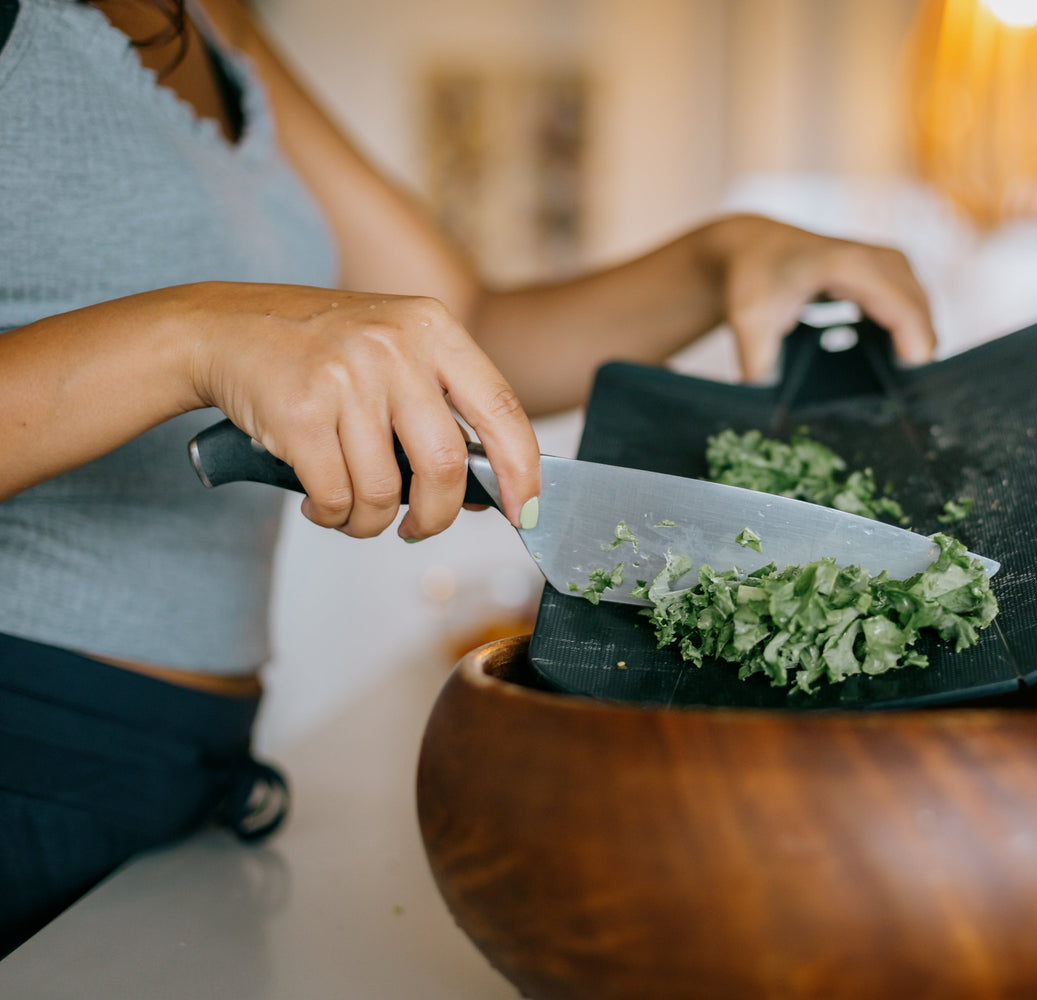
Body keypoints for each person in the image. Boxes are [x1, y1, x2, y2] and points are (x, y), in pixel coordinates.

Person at [0, 0, 936, 955]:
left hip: (182, 776)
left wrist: (723, 255)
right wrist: (190, 335)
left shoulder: (208, 17)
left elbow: (470, 326)